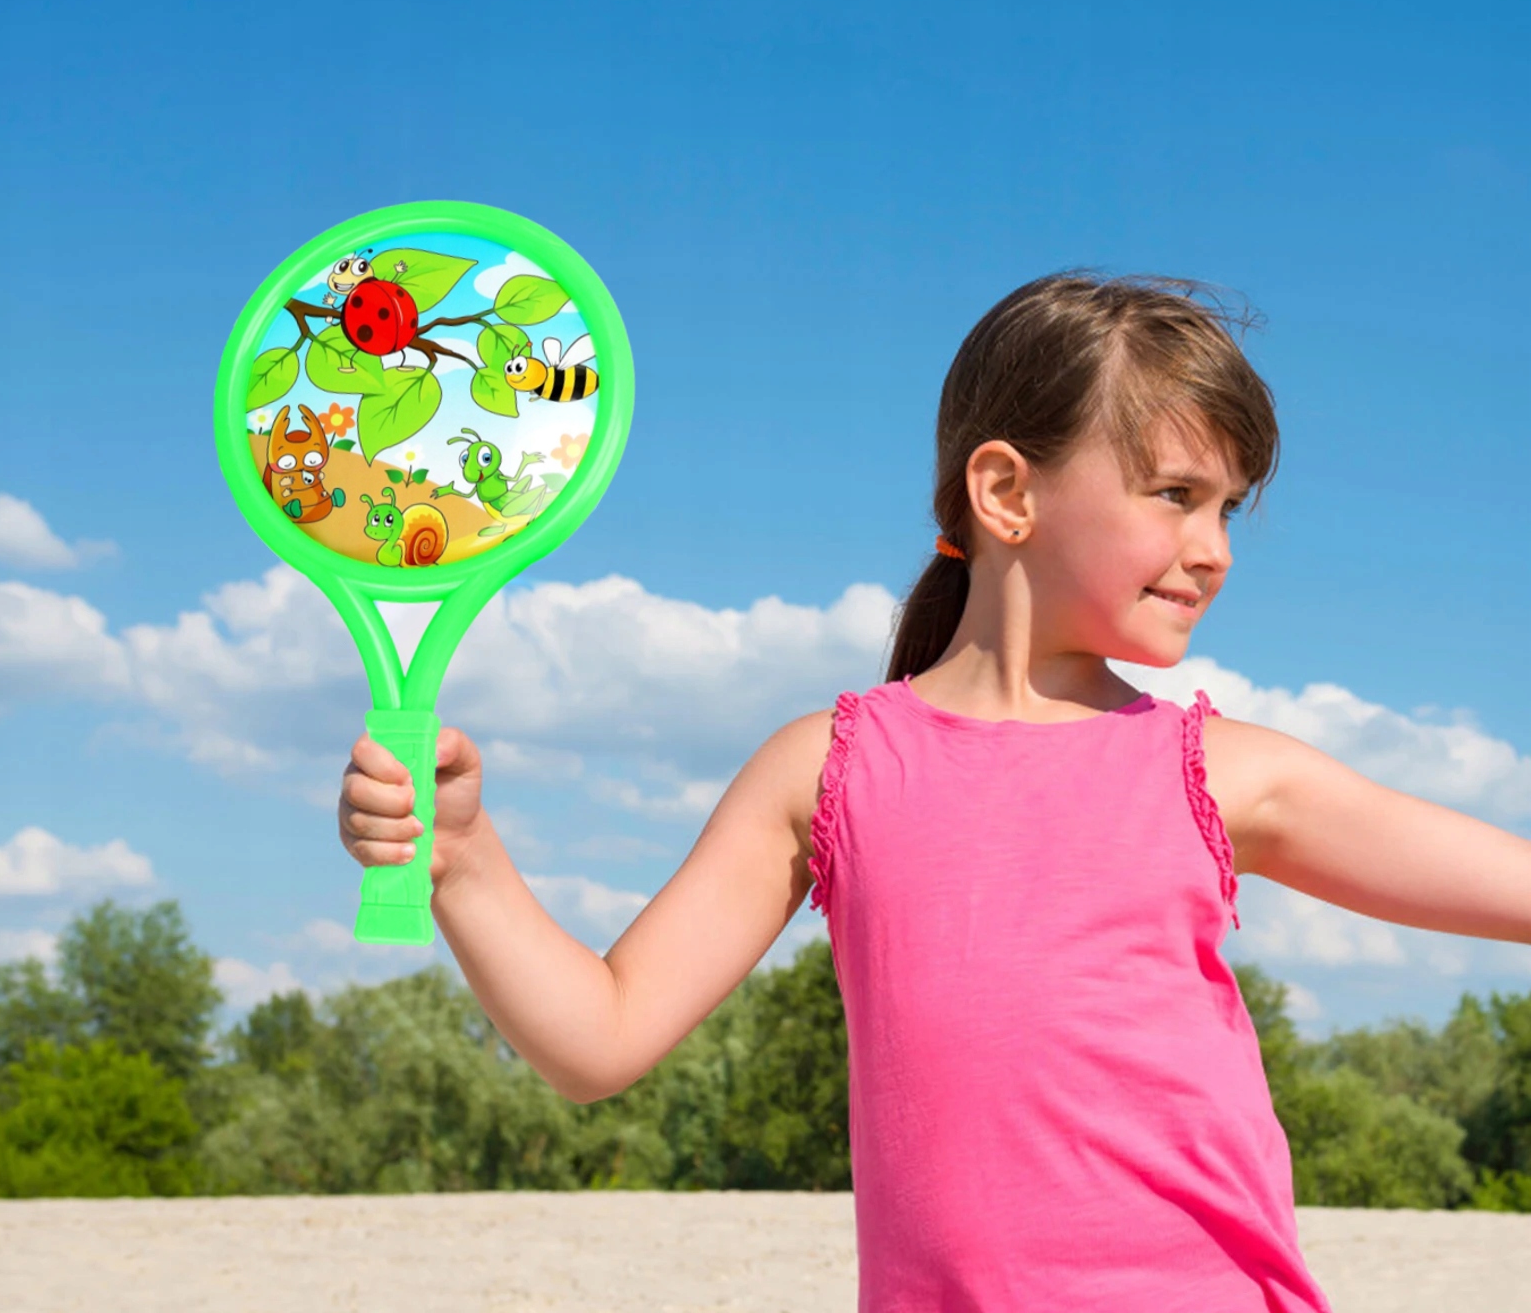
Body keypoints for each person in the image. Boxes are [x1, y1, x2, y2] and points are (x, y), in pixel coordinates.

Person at [340, 270, 1517, 1309]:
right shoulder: (827, 768)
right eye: (1173, 494)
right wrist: (464, 857)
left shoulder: (1220, 772)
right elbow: (595, 1040)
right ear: (1007, 492)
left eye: (1227, 508)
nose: (1213, 547)